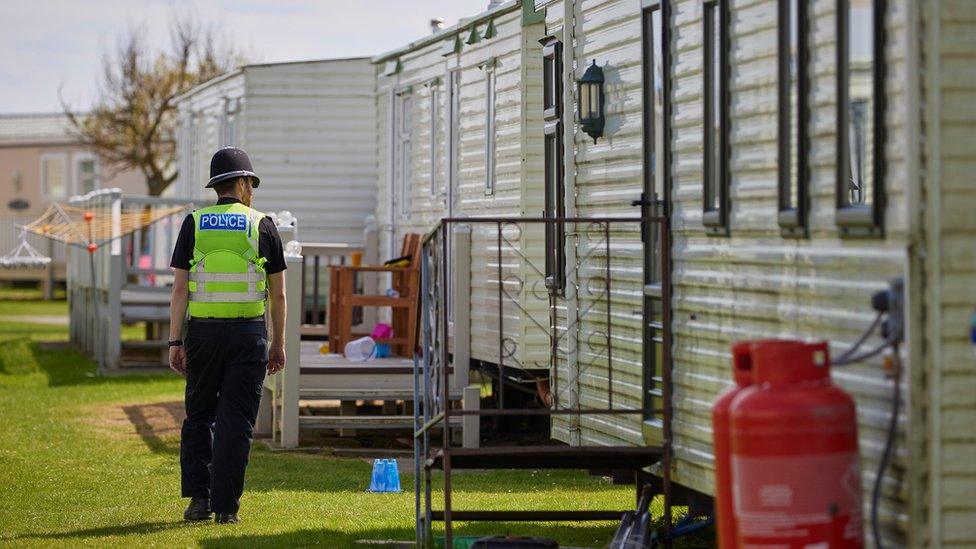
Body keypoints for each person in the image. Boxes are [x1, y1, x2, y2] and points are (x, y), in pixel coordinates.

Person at [167, 147, 287, 524]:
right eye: (250, 182)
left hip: (202, 334)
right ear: (239, 182)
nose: (252, 188)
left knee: (199, 417)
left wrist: (175, 341)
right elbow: (279, 293)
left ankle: (199, 502)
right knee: (237, 422)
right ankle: (227, 509)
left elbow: (180, 290)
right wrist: (278, 343)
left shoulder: (194, 223)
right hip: (247, 335)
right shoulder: (263, 224)